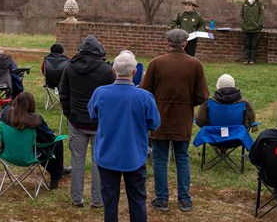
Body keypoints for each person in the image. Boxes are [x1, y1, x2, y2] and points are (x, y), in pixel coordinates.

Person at [140, 29, 209, 213]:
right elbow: (202, 95)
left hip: (159, 120)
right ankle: (184, 200)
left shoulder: (156, 63)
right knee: (182, 158)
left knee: (160, 159)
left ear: (167, 42)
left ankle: (162, 200)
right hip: (182, 119)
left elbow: (144, 92)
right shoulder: (195, 64)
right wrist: (187, 104)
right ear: (186, 43)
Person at [88, 51, 161, 222]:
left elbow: (93, 115)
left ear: (114, 70)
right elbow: (155, 123)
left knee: (110, 201)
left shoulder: (100, 93)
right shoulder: (144, 96)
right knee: (137, 200)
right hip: (134, 155)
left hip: (107, 154)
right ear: (134, 72)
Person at [59, 35, 116, 208]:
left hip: (78, 120)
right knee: (98, 162)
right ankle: (97, 200)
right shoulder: (107, 71)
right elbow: (113, 98)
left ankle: (77, 198)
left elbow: (63, 93)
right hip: (96, 122)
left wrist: (69, 113)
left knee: (77, 162)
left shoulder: (70, 67)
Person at [1, 92, 71, 189]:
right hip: (29, 155)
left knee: (38, 146)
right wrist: (53, 135)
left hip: (7, 154)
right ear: (31, 105)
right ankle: (56, 175)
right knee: (56, 143)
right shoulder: (35, 120)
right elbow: (49, 138)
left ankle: (57, 171)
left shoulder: (5, 113)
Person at [240, 0, 265, 65]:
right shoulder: (245, 3)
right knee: (247, 45)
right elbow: (241, 14)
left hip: (256, 28)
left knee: (253, 45)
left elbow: (261, 15)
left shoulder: (259, 3)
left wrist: (258, 24)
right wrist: (243, 23)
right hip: (246, 28)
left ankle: (252, 59)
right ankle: (246, 59)